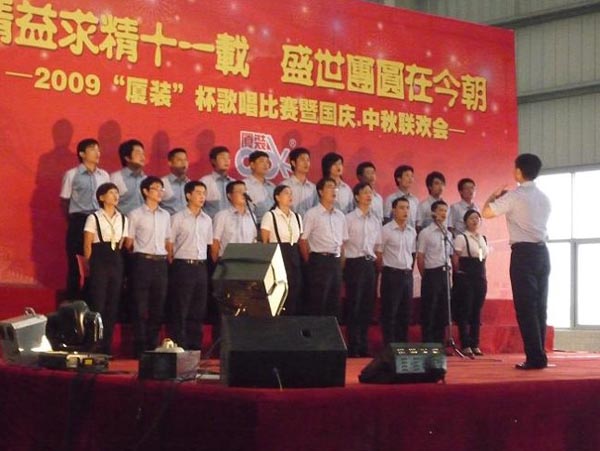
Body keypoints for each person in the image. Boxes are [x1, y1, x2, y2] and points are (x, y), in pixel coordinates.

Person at [482, 153, 551, 370]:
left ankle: (534, 357)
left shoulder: (514, 196)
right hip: (542, 253)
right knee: (540, 307)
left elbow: (486, 213)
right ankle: (540, 355)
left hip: (523, 254)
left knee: (525, 307)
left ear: (519, 171)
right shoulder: (544, 198)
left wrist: (493, 196)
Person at [124, 176, 172, 357]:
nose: (160, 192)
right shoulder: (135, 214)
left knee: (158, 306)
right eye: (156, 188)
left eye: (162, 189)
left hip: (161, 263)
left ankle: (153, 345)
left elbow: (168, 241)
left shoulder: (166, 215)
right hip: (142, 262)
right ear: (145, 191)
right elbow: (128, 243)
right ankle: (139, 347)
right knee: (140, 305)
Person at [60, 138, 110, 299]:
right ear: (82, 154)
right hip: (79, 221)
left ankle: (93, 304)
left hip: (99, 222)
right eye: (93, 149)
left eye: (98, 149)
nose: (97, 153)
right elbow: (64, 201)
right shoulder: (71, 174)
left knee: (97, 264)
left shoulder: (104, 175)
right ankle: (73, 304)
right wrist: (74, 220)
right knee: (76, 264)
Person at [82, 182, 128, 354]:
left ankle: (106, 347)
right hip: (99, 259)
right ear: (101, 197)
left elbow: (122, 243)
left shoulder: (123, 218)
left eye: (117, 192)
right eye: (111, 192)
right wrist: (90, 266)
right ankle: (93, 344)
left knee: (113, 304)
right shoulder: (94, 218)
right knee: (98, 303)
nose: (115, 196)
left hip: (116, 259)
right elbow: (87, 244)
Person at [168, 181, 213, 350]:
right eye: (198, 193)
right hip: (182, 265)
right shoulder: (177, 218)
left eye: (204, 193)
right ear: (188, 195)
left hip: (201, 266)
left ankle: (195, 347)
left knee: (198, 308)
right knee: (181, 307)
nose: (202, 197)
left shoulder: (207, 220)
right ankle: (179, 345)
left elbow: (208, 244)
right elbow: (169, 244)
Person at [299, 177, 348, 319]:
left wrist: (341, 262)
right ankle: (315, 332)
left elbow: (342, 243)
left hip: (335, 261)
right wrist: (310, 262)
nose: (334, 190)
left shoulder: (340, 215)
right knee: (318, 302)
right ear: (320, 192)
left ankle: (331, 332)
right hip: (318, 261)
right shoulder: (312, 214)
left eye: (335, 187)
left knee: (334, 302)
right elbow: (303, 241)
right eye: (329, 187)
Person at [343, 182, 382, 357]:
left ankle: (364, 345)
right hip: (354, 263)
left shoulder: (375, 220)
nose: (369, 195)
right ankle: (353, 346)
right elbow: (342, 244)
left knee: (367, 306)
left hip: (369, 265)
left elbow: (378, 246)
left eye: (370, 192)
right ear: (357, 197)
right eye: (365, 192)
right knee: (354, 305)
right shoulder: (348, 218)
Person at [260, 185, 303, 315]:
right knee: (280, 291)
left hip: (294, 254)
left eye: (291, 193)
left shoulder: (297, 216)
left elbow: (299, 239)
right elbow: (265, 241)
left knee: (295, 289)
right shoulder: (270, 215)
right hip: (278, 254)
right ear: (277, 197)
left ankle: (292, 319)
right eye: (286, 193)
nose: (290, 196)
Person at [380, 197, 417, 344]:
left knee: (405, 313)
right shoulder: (386, 230)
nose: (405, 211)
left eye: (407, 208)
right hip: (391, 274)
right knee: (390, 312)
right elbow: (379, 253)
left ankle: (402, 345)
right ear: (393, 210)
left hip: (407, 275)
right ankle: (389, 346)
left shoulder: (412, 231)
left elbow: (412, 253)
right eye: (401, 208)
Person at [451, 209, 488, 357]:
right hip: (465, 276)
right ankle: (465, 344)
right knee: (465, 310)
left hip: (480, 276)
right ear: (466, 221)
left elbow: (483, 257)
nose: (475, 221)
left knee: (476, 310)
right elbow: (455, 258)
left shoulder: (482, 238)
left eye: (477, 218)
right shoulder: (461, 237)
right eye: (472, 218)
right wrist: (459, 273)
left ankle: (475, 343)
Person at [416, 200, 452, 343]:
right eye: (440, 210)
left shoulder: (448, 234)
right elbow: (420, 256)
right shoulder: (426, 233)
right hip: (431, 273)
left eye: (445, 211)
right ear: (433, 213)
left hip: (445, 273)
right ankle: (428, 342)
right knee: (430, 308)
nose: (443, 213)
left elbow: (449, 255)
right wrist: (426, 276)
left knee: (443, 309)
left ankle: (440, 342)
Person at [211, 180, 257, 262]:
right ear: (229, 195)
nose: (244, 194)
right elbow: (215, 242)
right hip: (227, 261)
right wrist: (216, 263)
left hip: (248, 260)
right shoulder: (222, 216)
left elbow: (254, 240)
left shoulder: (252, 216)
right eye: (239, 191)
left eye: (245, 191)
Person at [110, 139, 146, 215]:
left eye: (143, 153)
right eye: (138, 153)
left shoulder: (146, 179)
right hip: (123, 220)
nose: (142, 157)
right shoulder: (115, 178)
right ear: (127, 158)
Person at [199, 146, 235, 219]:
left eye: (228, 158)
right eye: (222, 158)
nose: (226, 161)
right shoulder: (205, 182)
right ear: (213, 161)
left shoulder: (234, 183)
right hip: (212, 223)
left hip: (232, 223)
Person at [243, 150, 275, 227]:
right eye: (261, 161)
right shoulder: (244, 185)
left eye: (267, 162)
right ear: (252, 165)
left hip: (274, 226)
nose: (265, 164)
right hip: (255, 225)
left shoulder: (272, 186)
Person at [282, 147, 317, 216]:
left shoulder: (313, 188)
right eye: (302, 159)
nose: (306, 163)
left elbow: (316, 210)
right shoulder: (284, 186)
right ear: (293, 163)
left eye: (308, 160)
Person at [160, 148, 190, 215]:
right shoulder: (162, 183)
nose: (184, 163)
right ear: (170, 163)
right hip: (169, 220)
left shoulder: (189, 184)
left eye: (185, 160)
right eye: (179, 160)